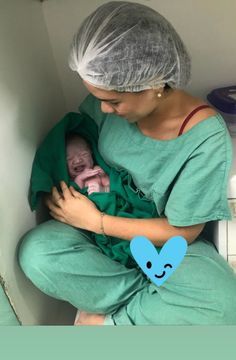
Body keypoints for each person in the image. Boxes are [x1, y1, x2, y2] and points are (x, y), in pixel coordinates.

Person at [18, 1, 236, 325]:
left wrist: (97, 222)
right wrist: (62, 192)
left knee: (223, 307)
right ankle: (141, 304)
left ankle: (109, 320)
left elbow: (185, 232)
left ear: (154, 83)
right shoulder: (110, 109)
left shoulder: (205, 141)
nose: (103, 109)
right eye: (99, 98)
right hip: (103, 228)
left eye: (113, 101)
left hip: (165, 245)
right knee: (36, 252)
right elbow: (82, 139)